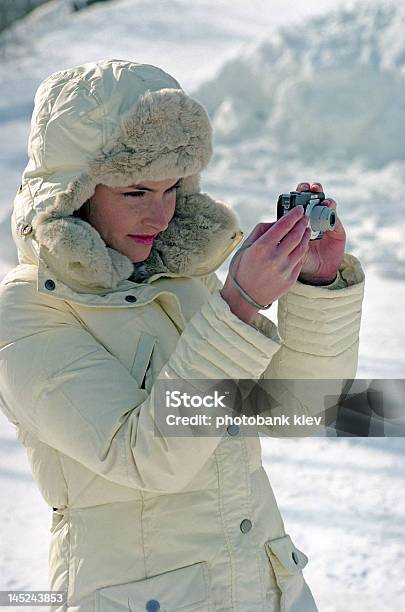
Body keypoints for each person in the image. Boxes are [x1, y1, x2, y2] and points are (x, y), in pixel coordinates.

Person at [0, 58, 365, 611]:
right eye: (135, 192)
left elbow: (297, 411)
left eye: (173, 188)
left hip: (263, 592)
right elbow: (148, 459)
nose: (160, 214)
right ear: (72, 193)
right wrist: (238, 304)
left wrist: (314, 284)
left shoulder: (184, 281)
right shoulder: (27, 313)